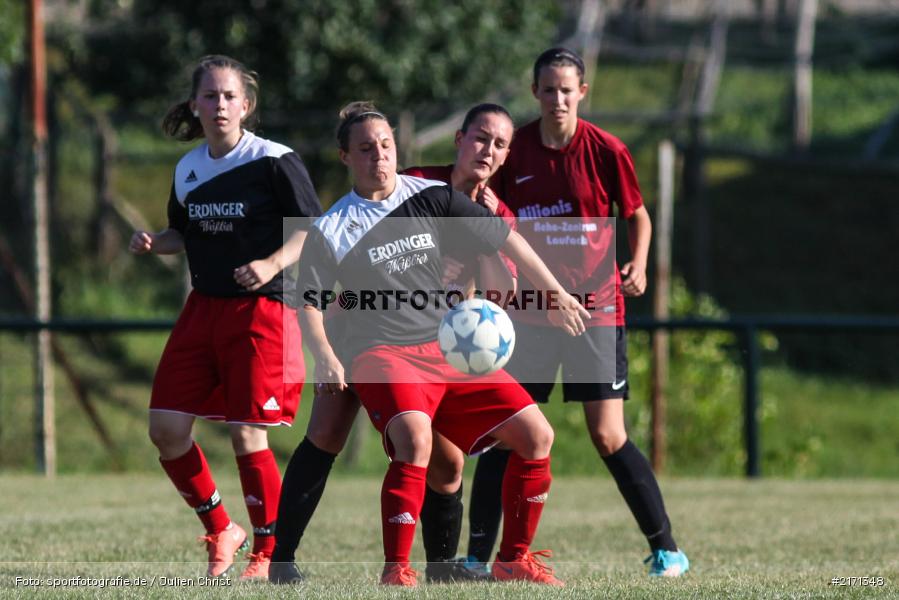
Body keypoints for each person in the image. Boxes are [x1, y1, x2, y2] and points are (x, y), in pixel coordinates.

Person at [293, 101, 591, 588]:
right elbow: (308, 300)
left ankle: (513, 559)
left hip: (446, 349)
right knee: (413, 441)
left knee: (538, 436)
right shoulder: (336, 225)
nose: (379, 157)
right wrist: (326, 354)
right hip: (382, 352)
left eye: (386, 145)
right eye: (366, 148)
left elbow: (507, 250)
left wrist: (555, 292)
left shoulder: (438, 196)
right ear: (345, 156)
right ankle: (396, 570)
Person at [268, 103, 521, 584]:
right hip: (359, 338)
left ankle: (443, 568)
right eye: (479, 141)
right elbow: (316, 297)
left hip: (427, 341)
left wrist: (480, 321)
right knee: (325, 439)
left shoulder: (479, 207)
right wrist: (325, 354)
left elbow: (495, 283)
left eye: (498, 145)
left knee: (446, 460)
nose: (485, 153)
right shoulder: (421, 187)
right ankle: (281, 558)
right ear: (460, 143)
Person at [467, 47, 690, 578]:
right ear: (536, 93)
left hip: (597, 311)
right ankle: (476, 557)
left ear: (582, 93)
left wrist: (637, 263)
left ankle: (667, 549)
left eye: (568, 89)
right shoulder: (513, 150)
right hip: (529, 313)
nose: (558, 98)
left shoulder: (607, 150)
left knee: (608, 435)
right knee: (507, 430)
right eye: (549, 89)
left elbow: (637, 215)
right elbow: (482, 215)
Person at [128, 55, 322, 580]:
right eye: (210, 96)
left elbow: (310, 230)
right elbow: (180, 233)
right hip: (203, 308)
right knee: (166, 429)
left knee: (247, 433)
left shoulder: (275, 160)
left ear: (246, 105)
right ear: (195, 105)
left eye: (229, 96)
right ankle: (221, 529)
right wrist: (153, 242)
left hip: (263, 308)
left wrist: (270, 263)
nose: (219, 105)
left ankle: (268, 553)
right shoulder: (188, 168)